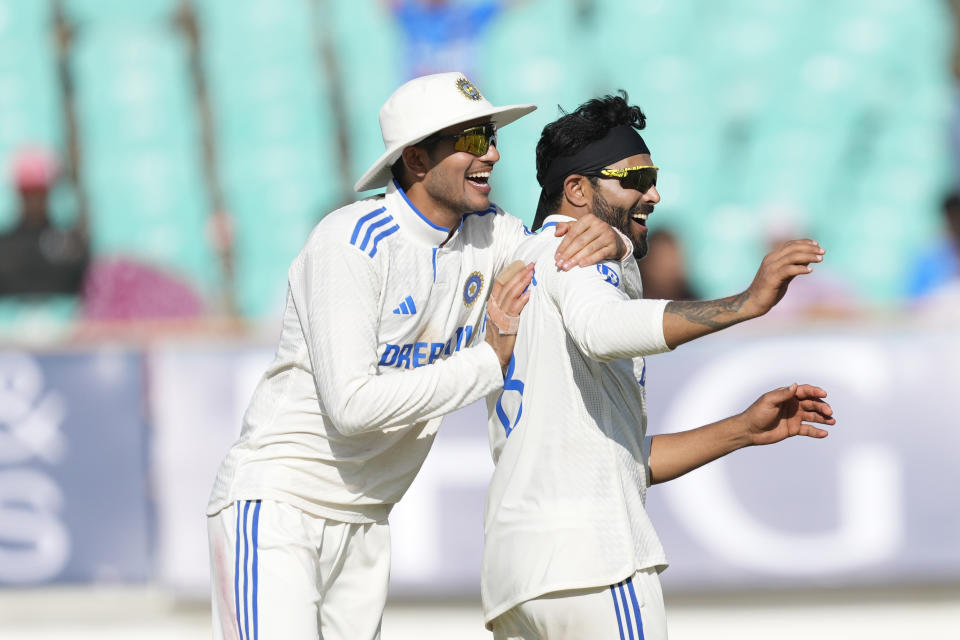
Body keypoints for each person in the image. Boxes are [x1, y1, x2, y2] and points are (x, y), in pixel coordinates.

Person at [205, 72, 631, 640]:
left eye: (492, 136)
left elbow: (561, 255)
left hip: (368, 519)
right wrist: (487, 361)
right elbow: (352, 405)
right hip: (279, 504)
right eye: (474, 140)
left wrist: (615, 240)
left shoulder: (494, 233)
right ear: (416, 159)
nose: (494, 153)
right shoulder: (350, 242)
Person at [482, 92, 836, 640]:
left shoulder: (524, 262)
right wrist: (745, 303)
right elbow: (603, 331)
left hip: (519, 580)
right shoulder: (582, 253)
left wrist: (741, 429)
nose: (654, 192)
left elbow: (616, 460)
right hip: (595, 565)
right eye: (636, 176)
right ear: (577, 190)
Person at [0, 147, 89, 296]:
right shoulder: (4, 245)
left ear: (49, 191)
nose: (34, 198)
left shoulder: (71, 243)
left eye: (39, 191)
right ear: (18, 192)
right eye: (27, 192)